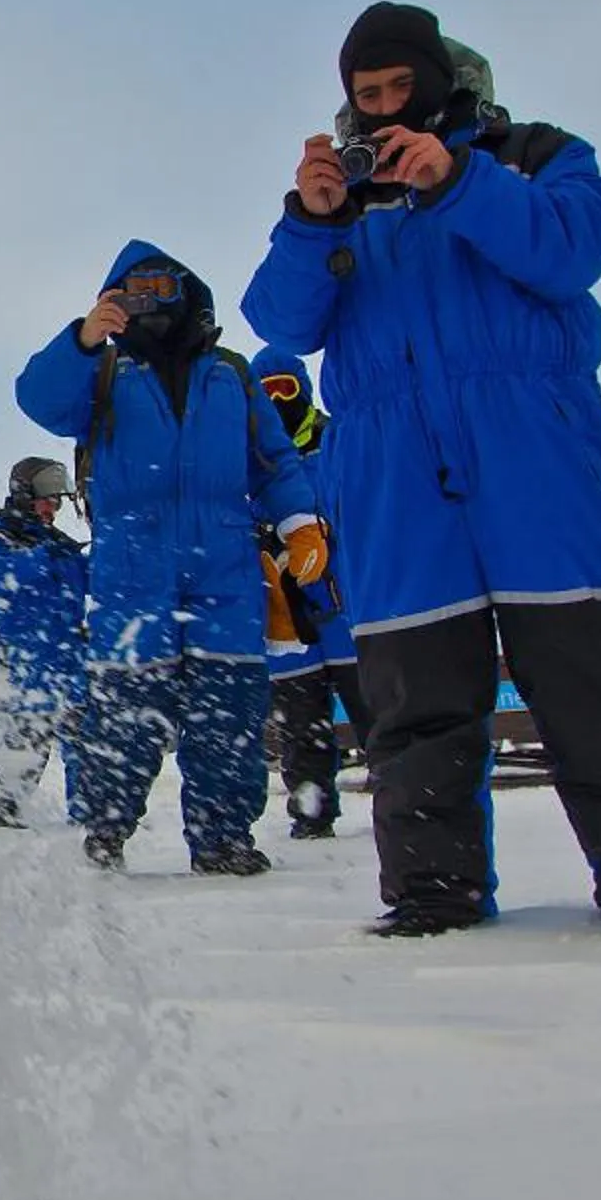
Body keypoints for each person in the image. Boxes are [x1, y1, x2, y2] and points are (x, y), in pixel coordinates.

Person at [241, 3, 601, 942]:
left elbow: (573, 252)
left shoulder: (536, 155)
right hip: (394, 478)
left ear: (441, 82)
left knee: (594, 689)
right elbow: (285, 322)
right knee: (415, 708)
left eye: (399, 88)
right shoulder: (345, 196)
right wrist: (309, 219)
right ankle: (433, 895)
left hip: (535, 458)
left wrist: (459, 180)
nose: (383, 108)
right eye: (365, 94)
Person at [15, 244, 323, 875]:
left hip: (226, 566)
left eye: (162, 285)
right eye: (133, 289)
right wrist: (81, 338)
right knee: (125, 715)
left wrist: (298, 522)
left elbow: (273, 459)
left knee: (228, 713)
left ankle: (222, 838)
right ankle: (106, 828)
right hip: (133, 567)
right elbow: (38, 401)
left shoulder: (230, 374)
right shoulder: (101, 373)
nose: (149, 298)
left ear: (190, 293)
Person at [250, 349, 371, 839]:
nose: (280, 399)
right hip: (289, 620)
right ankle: (311, 814)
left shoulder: (339, 441)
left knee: (379, 714)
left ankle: (404, 800)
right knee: (302, 728)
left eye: (286, 387)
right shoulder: (249, 462)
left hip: (348, 612)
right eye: (268, 391)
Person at [0, 456, 90, 827]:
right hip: (28, 651)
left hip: (71, 648)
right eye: (47, 499)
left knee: (83, 731)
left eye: (58, 501)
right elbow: (4, 580)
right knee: (31, 727)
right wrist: (43, 557)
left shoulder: (59, 543)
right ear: (24, 495)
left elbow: (91, 579)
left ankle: (88, 815)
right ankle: (5, 814)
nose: (52, 508)